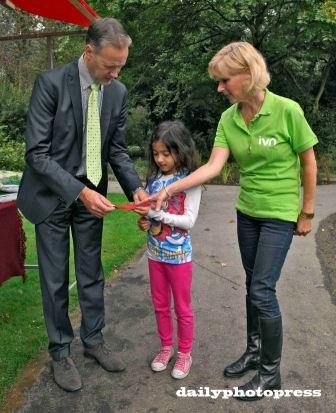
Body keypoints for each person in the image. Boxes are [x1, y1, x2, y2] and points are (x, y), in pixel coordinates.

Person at [151, 42, 318, 399]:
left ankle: (271, 375)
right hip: (248, 213)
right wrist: (169, 190)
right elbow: (212, 167)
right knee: (251, 285)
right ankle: (254, 352)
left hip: (280, 213)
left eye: (225, 80)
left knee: (262, 289)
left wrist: (307, 212)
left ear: (248, 74)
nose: (220, 87)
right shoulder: (229, 119)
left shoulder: (287, 110)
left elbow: (308, 163)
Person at [17, 18, 147, 392]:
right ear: (89, 51)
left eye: (120, 65)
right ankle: (60, 352)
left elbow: (117, 150)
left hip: (92, 197)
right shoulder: (50, 83)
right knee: (55, 279)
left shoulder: (117, 91)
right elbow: (36, 155)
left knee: (92, 272)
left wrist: (135, 188)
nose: (115, 72)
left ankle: (93, 342)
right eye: (109, 65)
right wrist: (79, 191)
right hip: (52, 197)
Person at [136, 121, 202, 379]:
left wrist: (157, 214)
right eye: (156, 154)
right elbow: (150, 220)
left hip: (179, 258)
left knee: (182, 307)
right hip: (154, 256)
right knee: (160, 305)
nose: (160, 159)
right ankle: (166, 347)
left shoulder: (190, 181)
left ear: (181, 150)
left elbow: (188, 221)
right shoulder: (152, 181)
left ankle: (185, 352)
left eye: (166, 153)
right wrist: (144, 221)